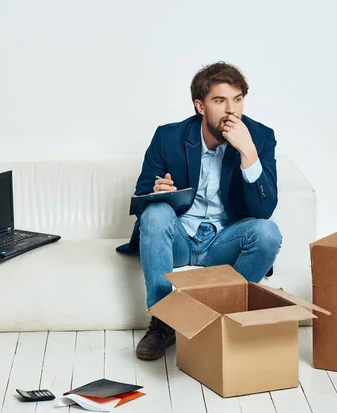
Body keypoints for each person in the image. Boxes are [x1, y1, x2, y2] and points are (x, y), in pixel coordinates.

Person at [116, 61, 282, 360]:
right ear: (200, 106)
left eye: (238, 99)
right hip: (180, 238)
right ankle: (164, 321)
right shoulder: (168, 137)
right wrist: (156, 192)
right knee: (154, 214)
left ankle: (221, 316)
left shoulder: (260, 137)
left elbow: (264, 210)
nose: (231, 109)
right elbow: (140, 198)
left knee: (268, 233)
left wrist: (248, 152)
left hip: (223, 243)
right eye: (220, 100)